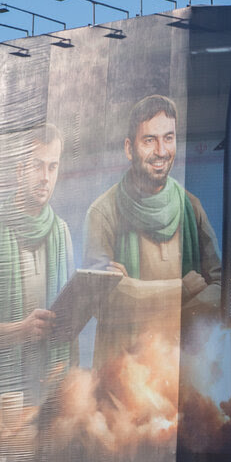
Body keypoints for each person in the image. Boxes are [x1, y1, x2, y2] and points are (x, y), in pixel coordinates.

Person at [84, 94, 221, 364]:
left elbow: (219, 288)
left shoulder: (191, 207)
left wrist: (139, 297)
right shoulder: (103, 212)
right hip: (124, 373)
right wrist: (181, 289)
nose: (161, 151)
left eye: (168, 138)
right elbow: (103, 301)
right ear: (129, 148)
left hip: (182, 365)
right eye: (150, 140)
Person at [0, 126, 73, 408]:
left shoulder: (62, 233)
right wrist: (19, 330)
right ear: (20, 170)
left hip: (52, 387)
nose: (45, 177)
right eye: (37, 166)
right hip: (3, 397)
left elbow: (72, 327)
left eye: (53, 166)